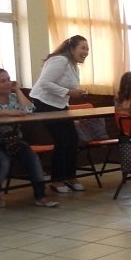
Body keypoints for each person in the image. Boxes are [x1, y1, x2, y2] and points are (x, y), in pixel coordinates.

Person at [0, 68, 59, 209]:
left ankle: (40, 195)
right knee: (2, 160)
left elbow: (30, 110)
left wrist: (18, 90)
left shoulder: (14, 97)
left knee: (32, 158)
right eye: (2, 81)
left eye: (9, 79)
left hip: (12, 141)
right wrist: (8, 112)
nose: (7, 83)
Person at [30, 35, 89, 194]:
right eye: (82, 48)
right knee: (62, 140)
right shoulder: (60, 60)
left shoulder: (73, 65)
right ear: (71, 49)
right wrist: (69, 92)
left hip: (59, 105)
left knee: (73, 139)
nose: (86, 52)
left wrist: (75, 93)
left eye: (87, 49)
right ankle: (57, 180)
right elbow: (44, 83)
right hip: (44, 104)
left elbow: (67, 89)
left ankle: (70, 176)